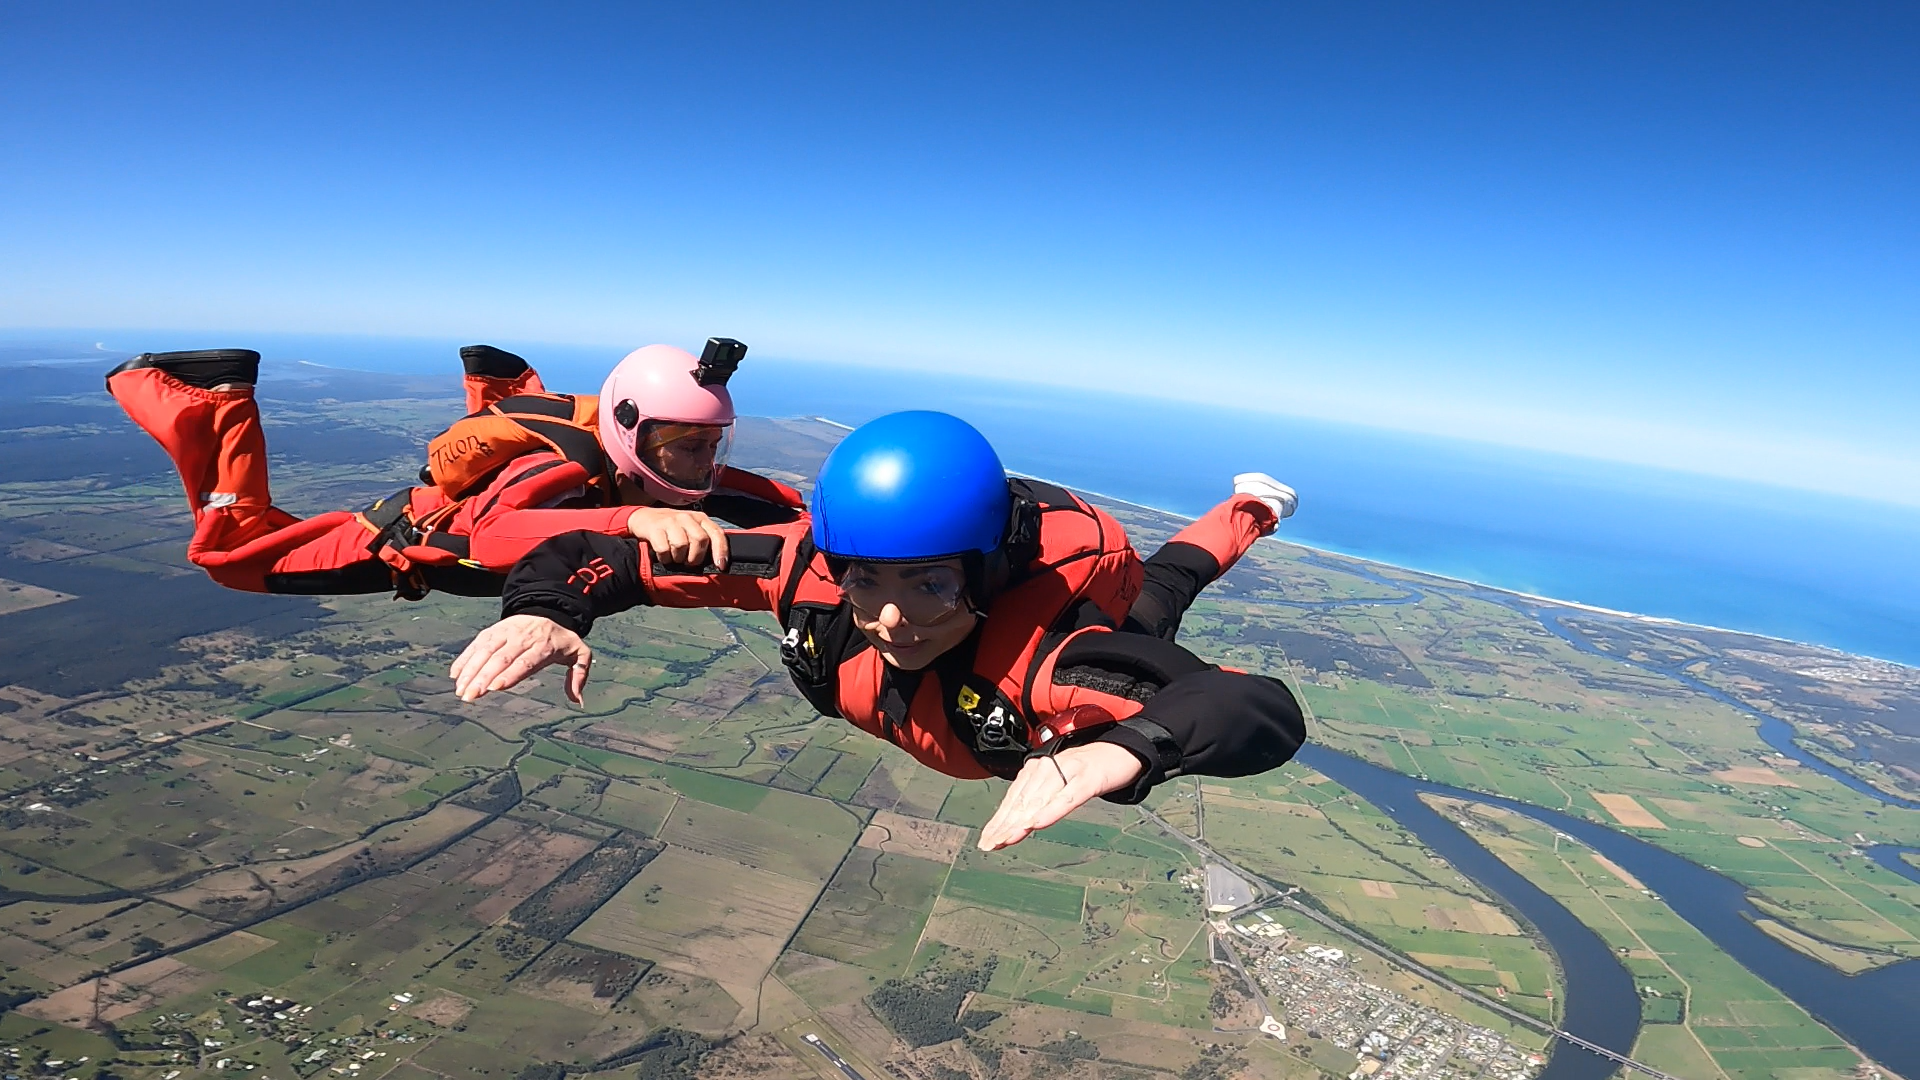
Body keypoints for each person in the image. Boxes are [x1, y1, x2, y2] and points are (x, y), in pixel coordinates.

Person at [450, 410, 1306, 851]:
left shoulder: (1059, 662)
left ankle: (1253, 505)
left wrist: (1131, 746)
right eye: (867, 579)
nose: (891, 617)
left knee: (1161, 590)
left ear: (981, 573)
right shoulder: (806, 571)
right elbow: (590, 553)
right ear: (839, 561)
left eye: (931, 584)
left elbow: (1254, 709)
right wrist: (548, 608)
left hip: (1083, 579)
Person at [104, 339, 803, 598]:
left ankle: (495, 383)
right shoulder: (555, 480)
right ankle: (213, 399)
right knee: (231, 555)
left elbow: (755, 495)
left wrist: (820, 512)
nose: (705, 462)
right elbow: (485, 537)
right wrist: (635, 518)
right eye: (688, 444)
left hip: (436, 523)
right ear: (630, 436)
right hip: (395, 544)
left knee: (259, 545)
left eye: (715, 443)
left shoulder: (657, 463)